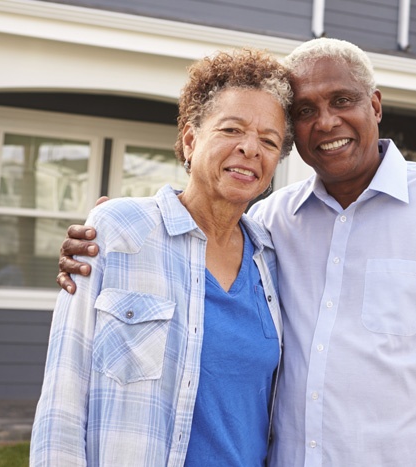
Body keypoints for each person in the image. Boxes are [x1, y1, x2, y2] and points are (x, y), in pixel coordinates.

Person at [58, 38, 416, 466]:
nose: (326, 121)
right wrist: (115, 225)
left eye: (342, 100)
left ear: (374, 105)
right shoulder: (271, 225)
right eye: (305, 111)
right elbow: (191, 233)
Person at [31, 48, 294, 466]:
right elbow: (62, 399)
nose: (250, 148)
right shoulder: (118, 231)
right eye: (231, 130)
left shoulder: (275, 259)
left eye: (269, 140)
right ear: (191, 141)